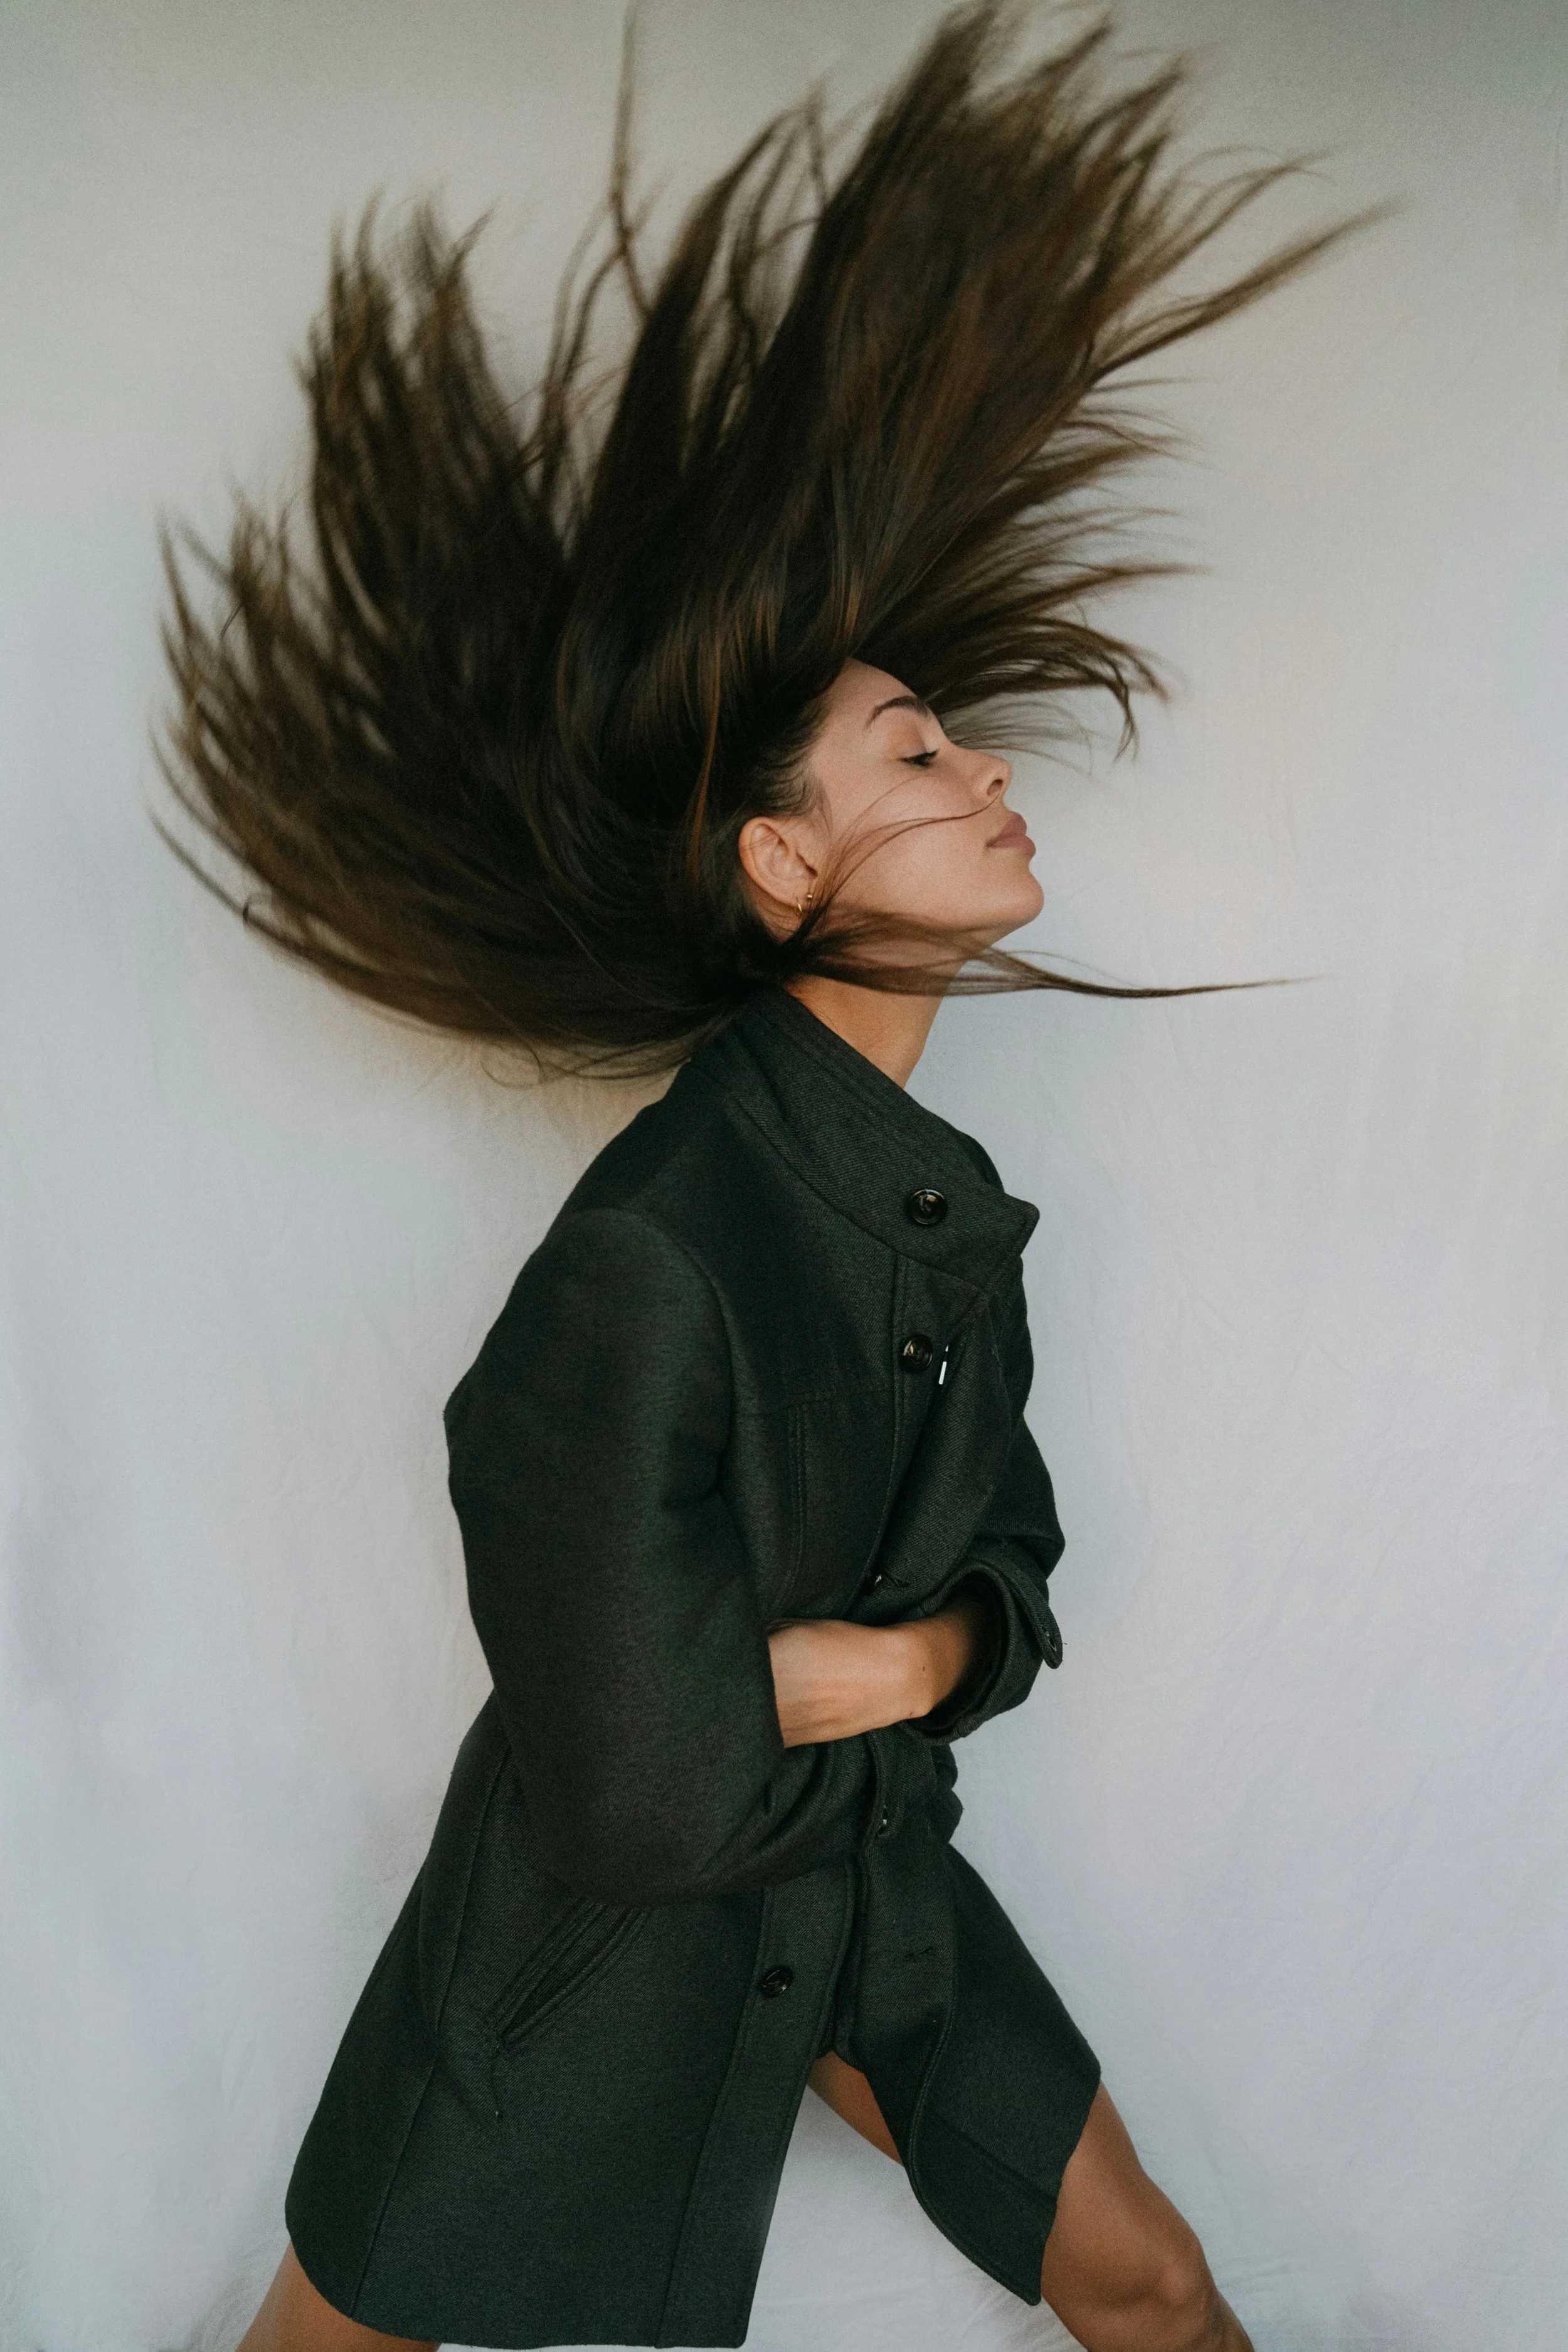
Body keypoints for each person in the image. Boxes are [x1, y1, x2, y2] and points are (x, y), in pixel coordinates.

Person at [157, 8, 1366, 2346]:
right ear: (783, 863)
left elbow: (1010, 1559)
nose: (988, 772)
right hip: (574, 1965)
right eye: (915, 753)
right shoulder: (652, 1250)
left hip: (868, 1892)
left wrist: (901, 1657)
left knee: (1147, 2279)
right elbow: (629, 1773)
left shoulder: (939, 1203)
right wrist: (771, 1695)